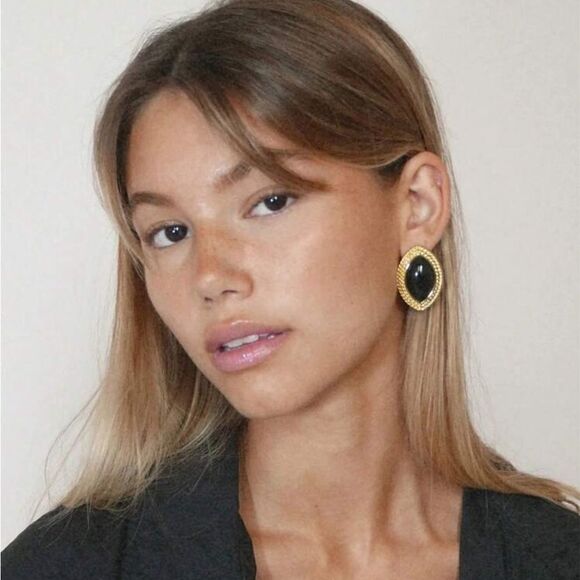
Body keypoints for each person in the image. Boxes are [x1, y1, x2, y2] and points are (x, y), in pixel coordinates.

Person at [2, 0, 579, 578]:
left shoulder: (554, 558)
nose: (210, 276)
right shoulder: (63, 567)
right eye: (170, 232)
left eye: (270, 201)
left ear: (417, 206)